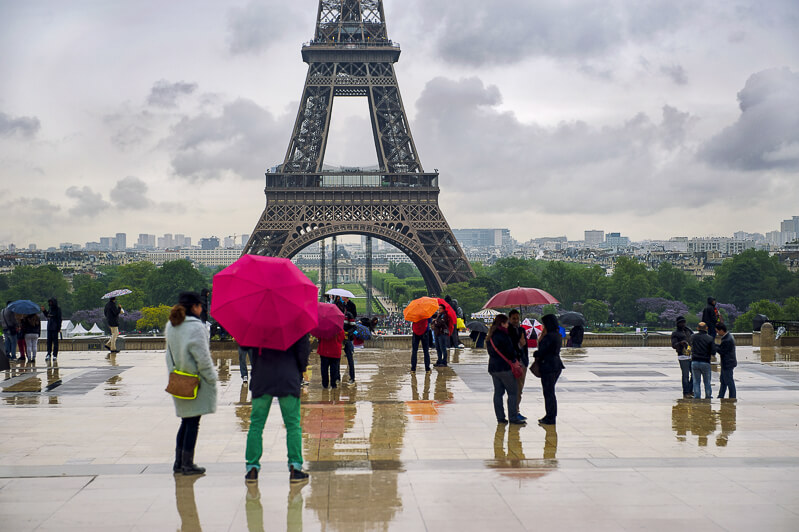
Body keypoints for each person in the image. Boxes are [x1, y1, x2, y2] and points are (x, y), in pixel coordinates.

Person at [245, 334, 310, 484]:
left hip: (262, 376)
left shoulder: (257, 320)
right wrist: (298, 370)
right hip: (288, 376)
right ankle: (295, 466)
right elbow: (303, 351)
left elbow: (244, 345)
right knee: (293, 424)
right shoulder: (296, 320)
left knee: (256, 424)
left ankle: (252, 468)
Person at [166, 292, 218, 475]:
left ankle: (179, 462)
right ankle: (188, 464)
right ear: (195, 307)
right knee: (193, 423)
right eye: (200, 305)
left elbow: (168, 356)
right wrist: (212, 379)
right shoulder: (196, 327)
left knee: (186, 421)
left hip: (178, 379)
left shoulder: (172, 325)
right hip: (195, 381)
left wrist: (173, 374)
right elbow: (202, 358)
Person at [487, 314, 524, 425]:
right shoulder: (504, 336)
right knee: (512, 393)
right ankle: (513, 417)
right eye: (506, 322)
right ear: (502, 323)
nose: (508, 325)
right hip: (505, 368)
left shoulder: (490, 337)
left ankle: (500, 418)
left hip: (494, 368)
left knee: (498, 393)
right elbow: (510, 353)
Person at [533, 314, 565, 426]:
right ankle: (550, 415)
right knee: (550, 392)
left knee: (548, 393)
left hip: (548, 366)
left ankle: (550, 417)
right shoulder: (557, 335)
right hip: (556, 365)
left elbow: (542, 352)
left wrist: (539, 343)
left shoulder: (548, 337)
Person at [507, 310, 529, 419]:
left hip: (522, 362)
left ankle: (517, 409)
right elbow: (509, 347)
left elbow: (526, 348)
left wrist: (526, 361)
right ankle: (513, 412)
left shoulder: (521, 330)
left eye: (517, 318)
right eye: (513, 318)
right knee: (514, 390)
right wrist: (519, 344)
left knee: (520, 389)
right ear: (509, 318)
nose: (516, 320)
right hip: (513, 363)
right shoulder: (507, 330)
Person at [690, 322, 715, 399]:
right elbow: (713, 352)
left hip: (695, 361)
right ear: (706, 328)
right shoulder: (710, 338)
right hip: (705, 361)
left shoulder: (693, 337)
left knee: (696, 381)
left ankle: (697, 397)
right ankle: (708, 396)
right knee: (707, 382)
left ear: (697, 328)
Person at [671, 316, 694, 397]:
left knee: (694, 374)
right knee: (685, 375)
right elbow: (673, 345)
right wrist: (680, 343)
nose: (683, 324)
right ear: (677, 324)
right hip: (682, 355)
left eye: (683, 322)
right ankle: (686, 392)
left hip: (691, 354)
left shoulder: (688, 330)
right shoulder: (675, 333)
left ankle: (690, 389)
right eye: (681, 323)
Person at [716, 323, 737, 399]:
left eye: (717, 331)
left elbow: (722, 351)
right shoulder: (728, 337)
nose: (717, 333)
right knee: (723, 381)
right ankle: (721, 395)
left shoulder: (726, 340)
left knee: (729, 381)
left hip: (727, 363)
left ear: (721, 330)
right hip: (728, 363)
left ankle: (732, 397)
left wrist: (714, 346)